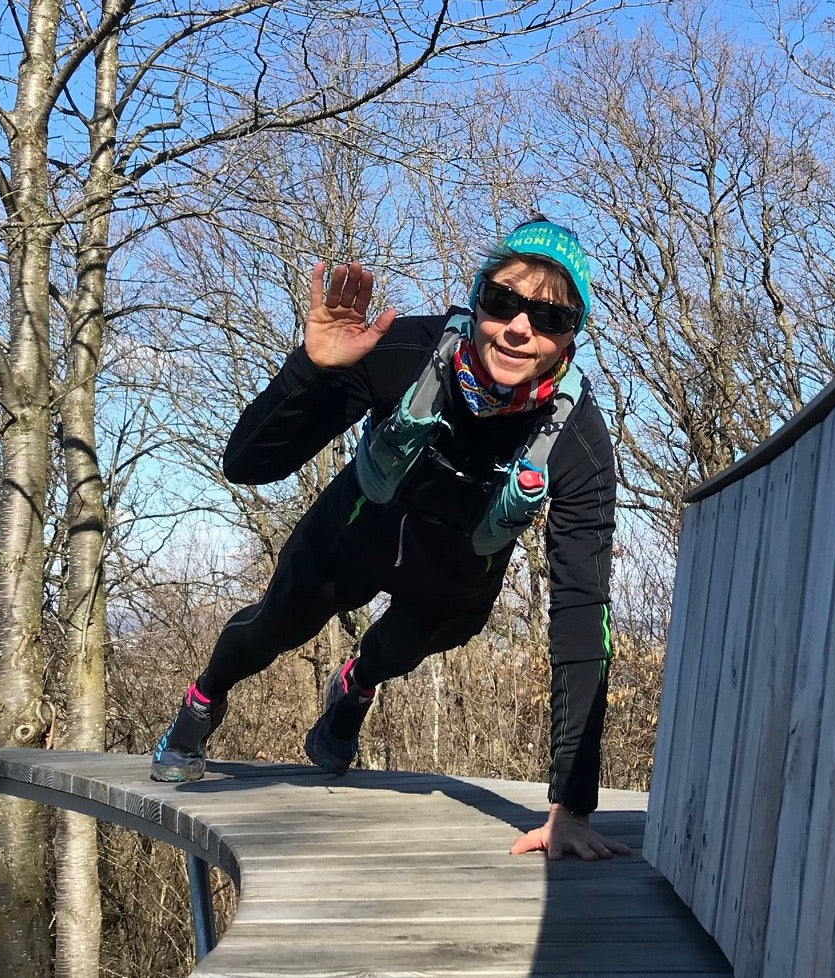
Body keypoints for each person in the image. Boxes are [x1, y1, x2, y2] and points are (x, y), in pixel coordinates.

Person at [151, 218, 630, 861]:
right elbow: (248, 465)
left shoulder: (578, 441)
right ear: (478, 298)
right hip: (356, 529)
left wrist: (570, 808)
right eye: (503, 302)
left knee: (397, 649)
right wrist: (310, 370)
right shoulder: (405, 349)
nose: (520, 328)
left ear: (573, 336)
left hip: (455, 573)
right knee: (274, 627)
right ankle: (204, 698)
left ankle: (356, 685)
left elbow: (580, 616)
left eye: (549, 317)